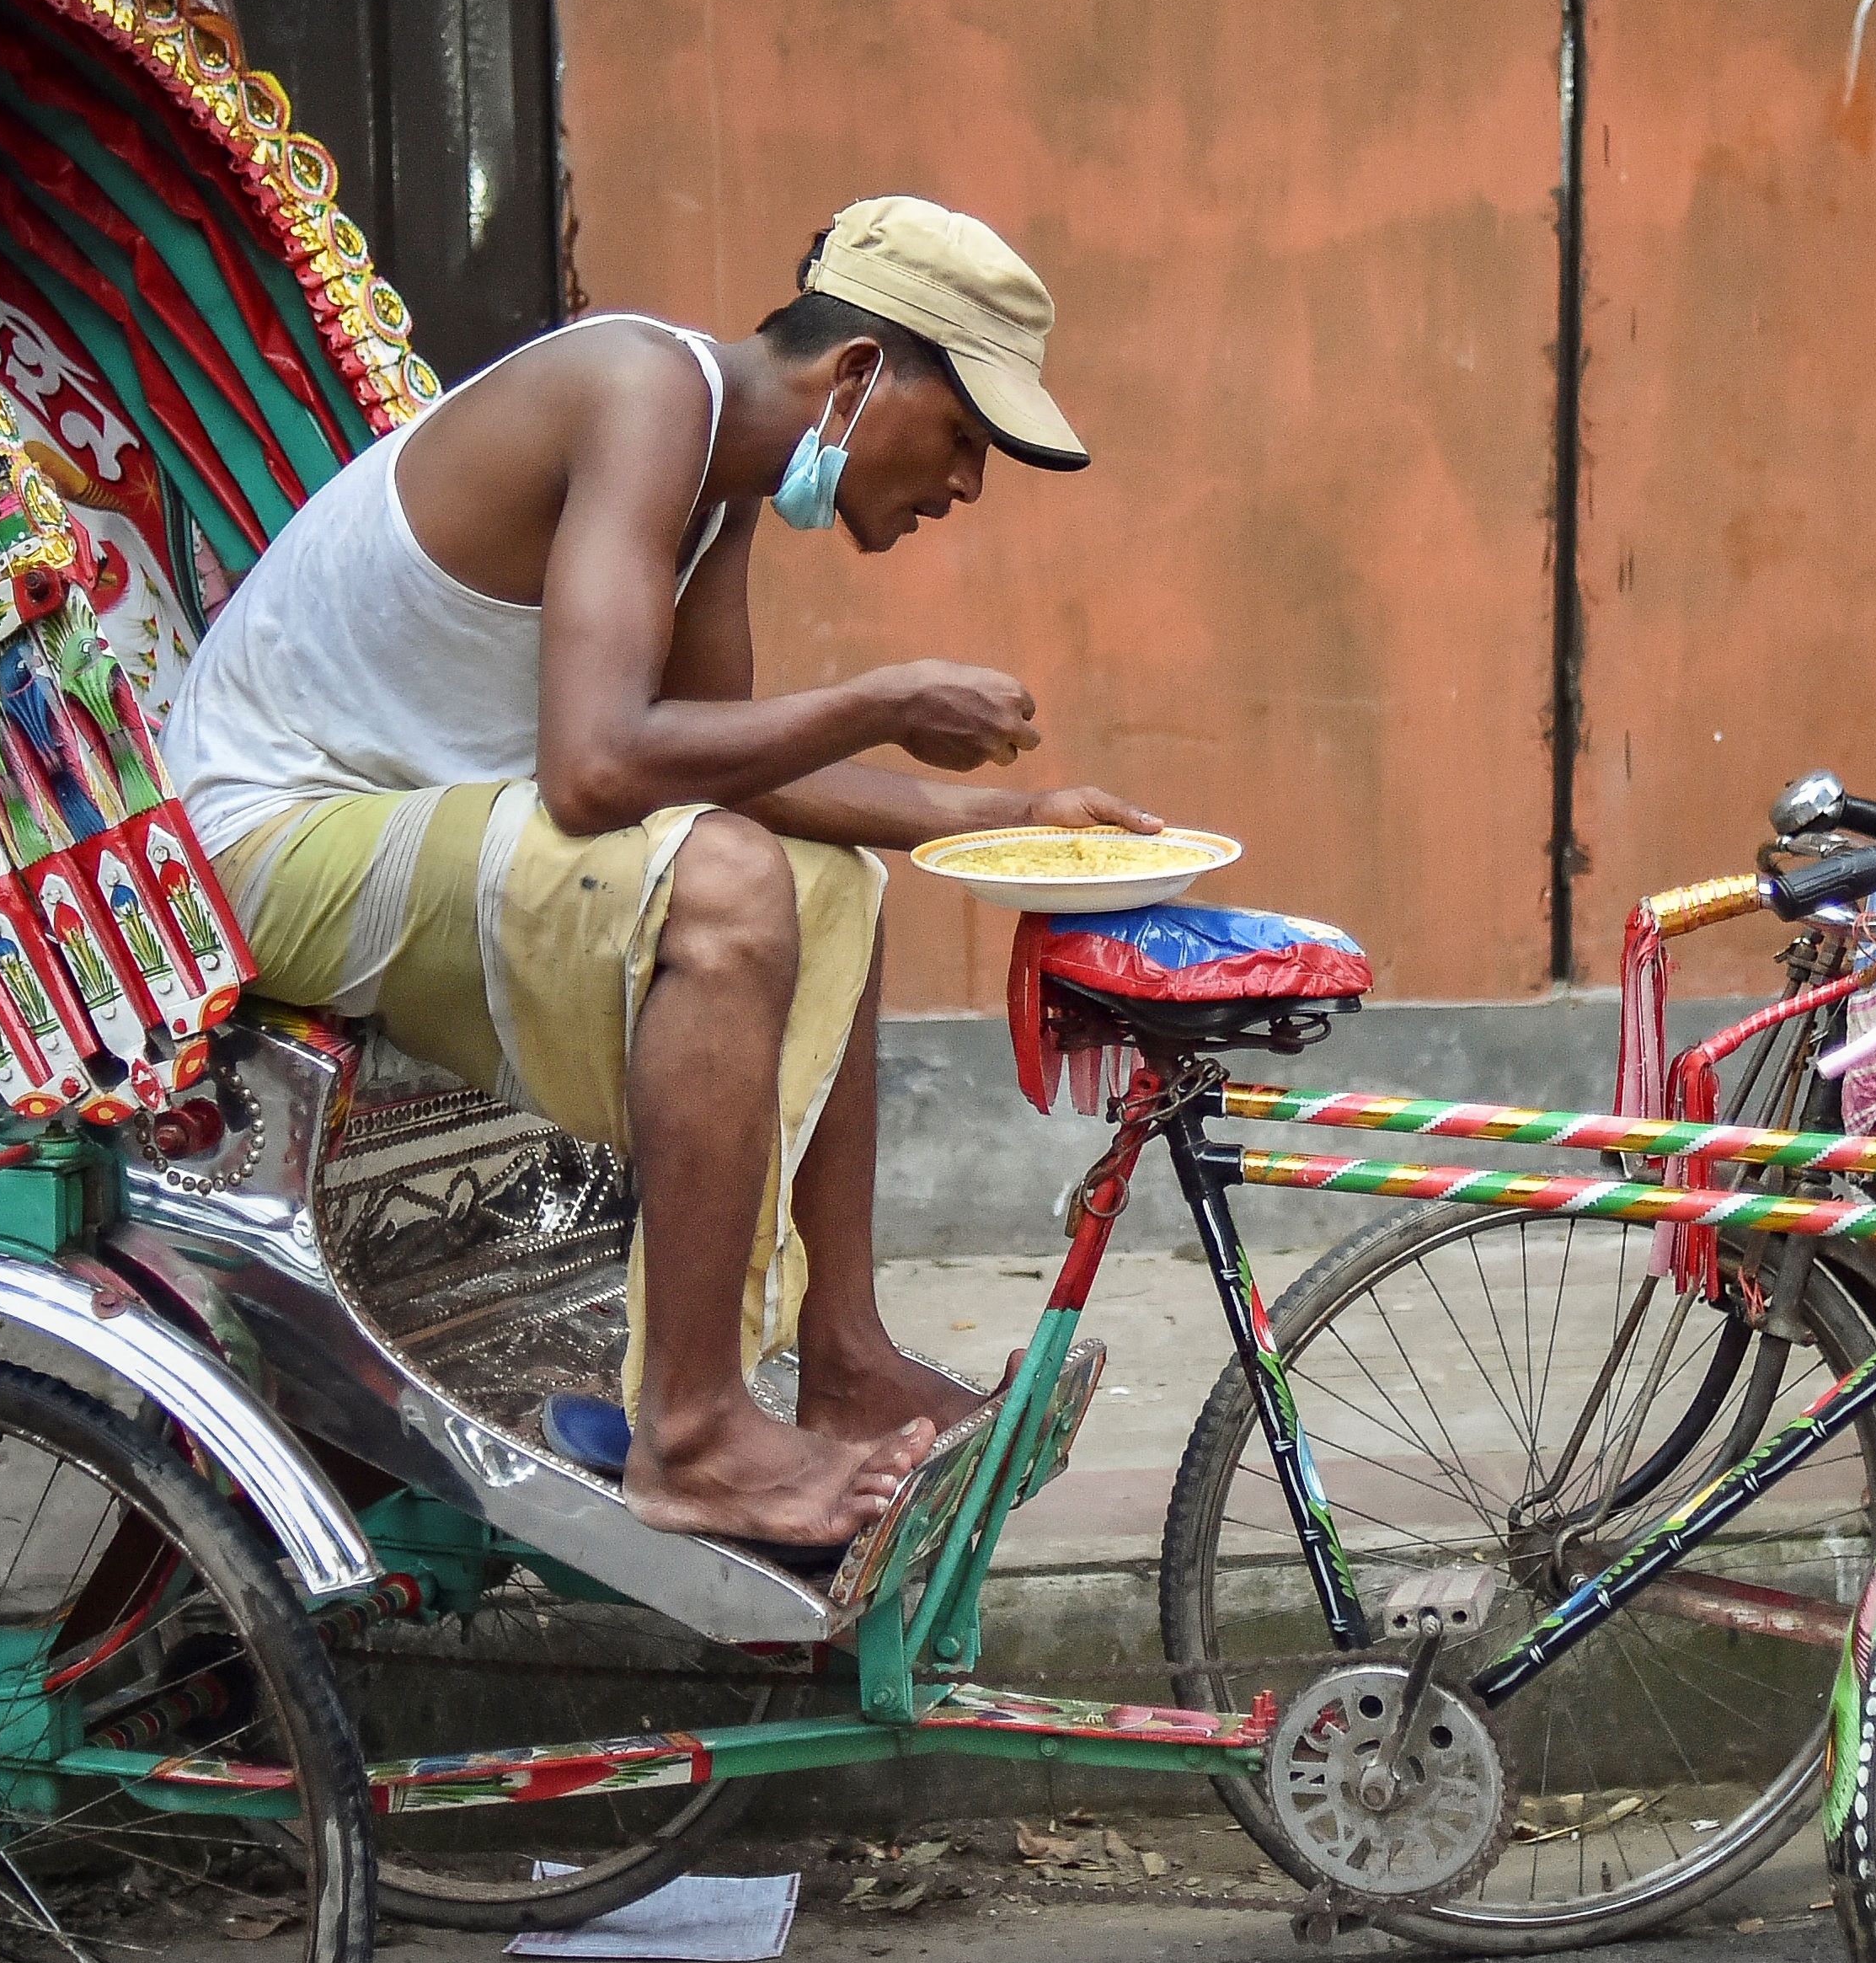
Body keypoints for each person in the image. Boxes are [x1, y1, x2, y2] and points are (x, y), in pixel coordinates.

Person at [160, 196, 1157, 1549]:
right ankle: (692, 1435)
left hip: (404, 827)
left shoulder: (718, 479)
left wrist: (1013, 816)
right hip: (263, 845)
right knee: (729, 883)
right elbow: (598, 768)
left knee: (830, 881)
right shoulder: (641, 391)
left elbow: (719, 766)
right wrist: (878, 699)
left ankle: (845, 1353)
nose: (968, 484)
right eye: (966, 437)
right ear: (859, 375)